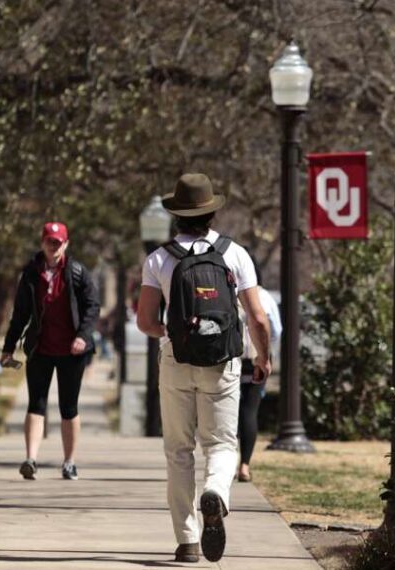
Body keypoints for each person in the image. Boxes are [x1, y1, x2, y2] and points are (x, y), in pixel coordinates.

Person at [136, 173, 271, 563]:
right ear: (211, 213)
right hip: (223, 362)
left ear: (176, 215)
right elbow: (258, 318)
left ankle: (188, 540)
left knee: (178, 451)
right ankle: (216, 491)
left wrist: (171, 333)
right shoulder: (235, 254)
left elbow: (145, 321)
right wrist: (263, 358)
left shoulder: (158, 259)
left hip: (176, 361)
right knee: (222, 444)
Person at [0, 222, 101, 481]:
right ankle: (30, 460)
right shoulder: (31, 274)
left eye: (58, 242)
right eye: (49, 241)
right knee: (37, 404)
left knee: (69, 406)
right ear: (42, 243)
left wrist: (82, 336)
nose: (53, 246)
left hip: (72, 350)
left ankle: (69, 462)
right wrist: (8, 348)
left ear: (66, 244)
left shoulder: (77, 272)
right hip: (40, 348)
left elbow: (92, 307)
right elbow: (20, 314)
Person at [237, 271, 281, 483]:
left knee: (227, 413)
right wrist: (264, 353)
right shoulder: (264, 297)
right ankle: (244, 465)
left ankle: (222, 465)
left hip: (229, 358)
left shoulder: (228, 293)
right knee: (249, 411)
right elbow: (275, 330)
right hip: (257, 358)